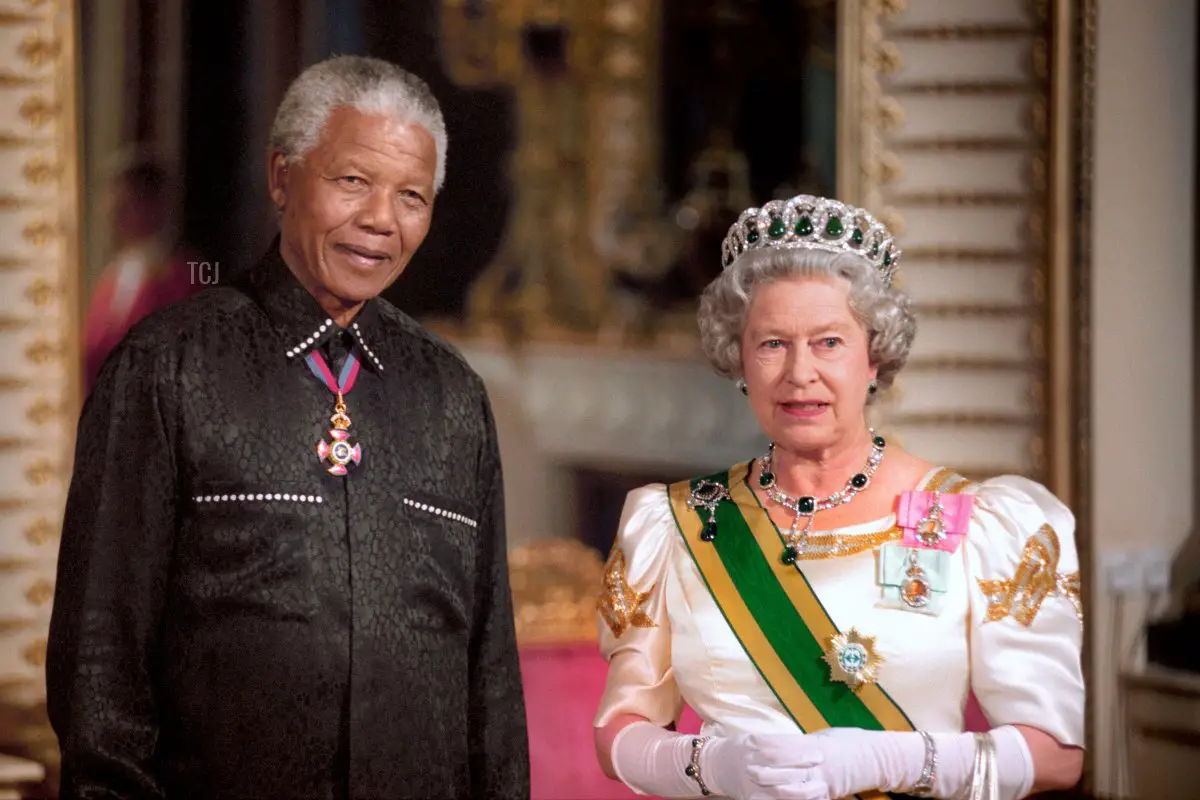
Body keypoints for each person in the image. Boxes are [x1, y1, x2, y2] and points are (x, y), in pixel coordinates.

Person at [47, 55, 529, 799]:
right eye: (352, 182)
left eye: (411, 196)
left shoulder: (452, 395)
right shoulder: (166, 365)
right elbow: (99, 663)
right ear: (281, 178)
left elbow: (490, 676)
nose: (380, 220)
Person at [593, 195, 1084, 800]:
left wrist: (893, 758)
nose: (800, 373)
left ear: (874, 356)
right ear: (739, 357)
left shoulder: (978, 521)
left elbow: (1055, 756)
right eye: (773, 343)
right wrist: (710, 766)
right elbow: (620, 733)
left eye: (829, 342)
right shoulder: (678, 523)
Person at [82, 157, 203, 395]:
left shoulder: (188, 275)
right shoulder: (111, 279)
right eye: (114, 207)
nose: (116, 216)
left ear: (155, 205)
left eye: (127, 205)